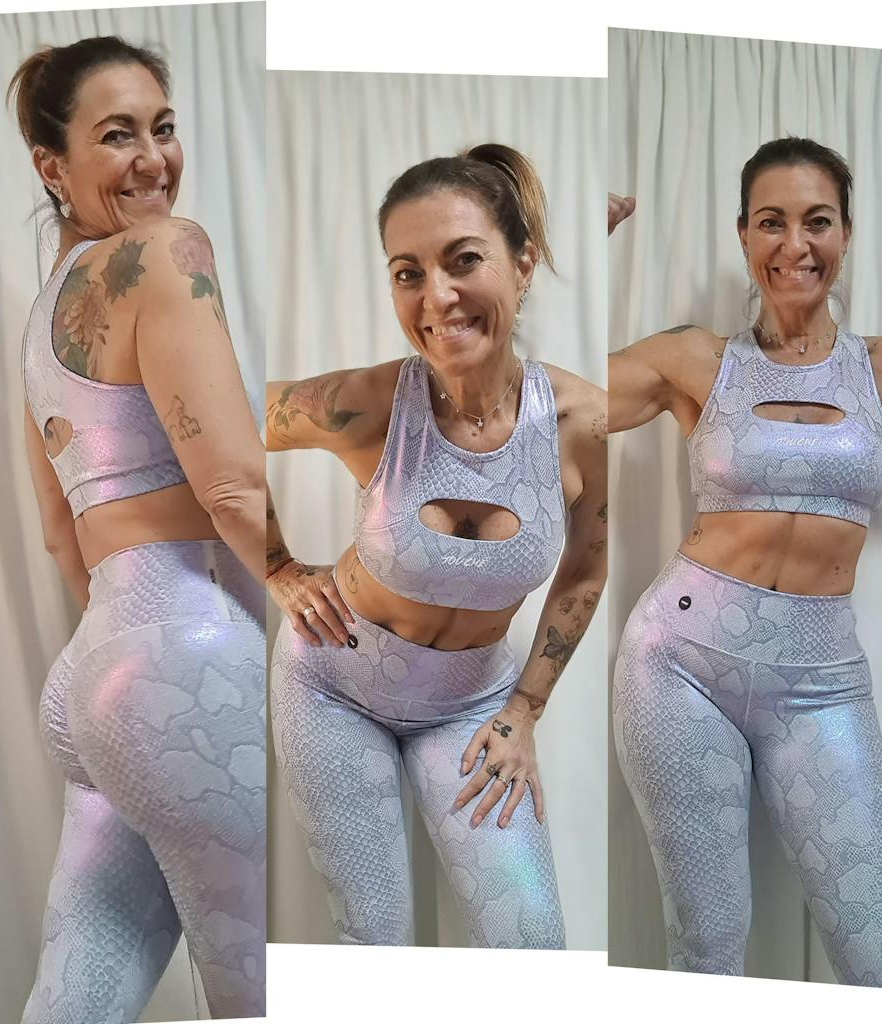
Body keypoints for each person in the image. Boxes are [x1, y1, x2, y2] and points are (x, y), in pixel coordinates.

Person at [609, 137, 882, 989]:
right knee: (708, 949)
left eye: (817, 222)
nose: (796, 244)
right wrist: (557, 256)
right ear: (743, 235)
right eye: (772, 222)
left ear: (847, 233)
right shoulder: (697, 360)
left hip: (821, 682)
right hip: (678, 665)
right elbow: (538, 409)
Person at [267, 144, 606, 947]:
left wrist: (526, 707)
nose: (436, 296)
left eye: (463, 261)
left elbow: (586, 569)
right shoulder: (370, 404)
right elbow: (219, 421)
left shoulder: (582, 420)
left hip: (475, 703)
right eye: (407, 272)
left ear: (523, 266)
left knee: (530, 943)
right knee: (376, 938)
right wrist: (274, 564)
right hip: (332, 687)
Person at [9, 36, 266, 1021]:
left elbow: (59, 532)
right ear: (52, 164)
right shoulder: (165, 250)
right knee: (249, 995)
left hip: (95, 673)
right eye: (118, 135)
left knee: (76, 990)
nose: (154, 158)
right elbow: (233, 485)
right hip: (184, 656)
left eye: (163, 127)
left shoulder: (43, 318)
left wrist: (128, 655)